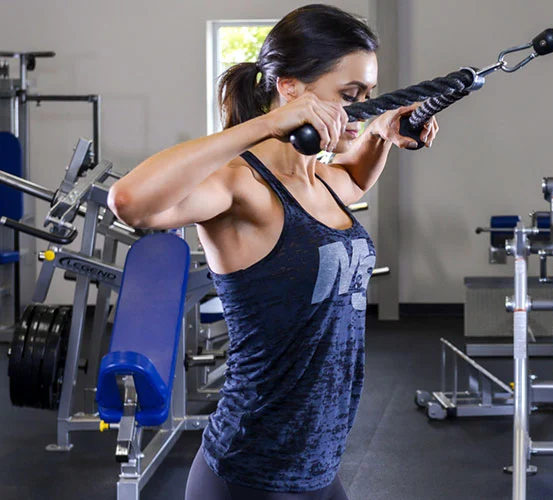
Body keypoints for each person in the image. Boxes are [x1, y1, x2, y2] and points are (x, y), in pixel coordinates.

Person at [108, 4, 439, 499]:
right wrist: (267, 126)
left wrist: (381, 134)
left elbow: (352, 178)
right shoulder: (239, 186)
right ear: (290, 89)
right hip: (251, 473)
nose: (361, 109)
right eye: (350, 96)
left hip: (319, 469)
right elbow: (129, 202)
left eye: (368, 95)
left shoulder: (322, 179)